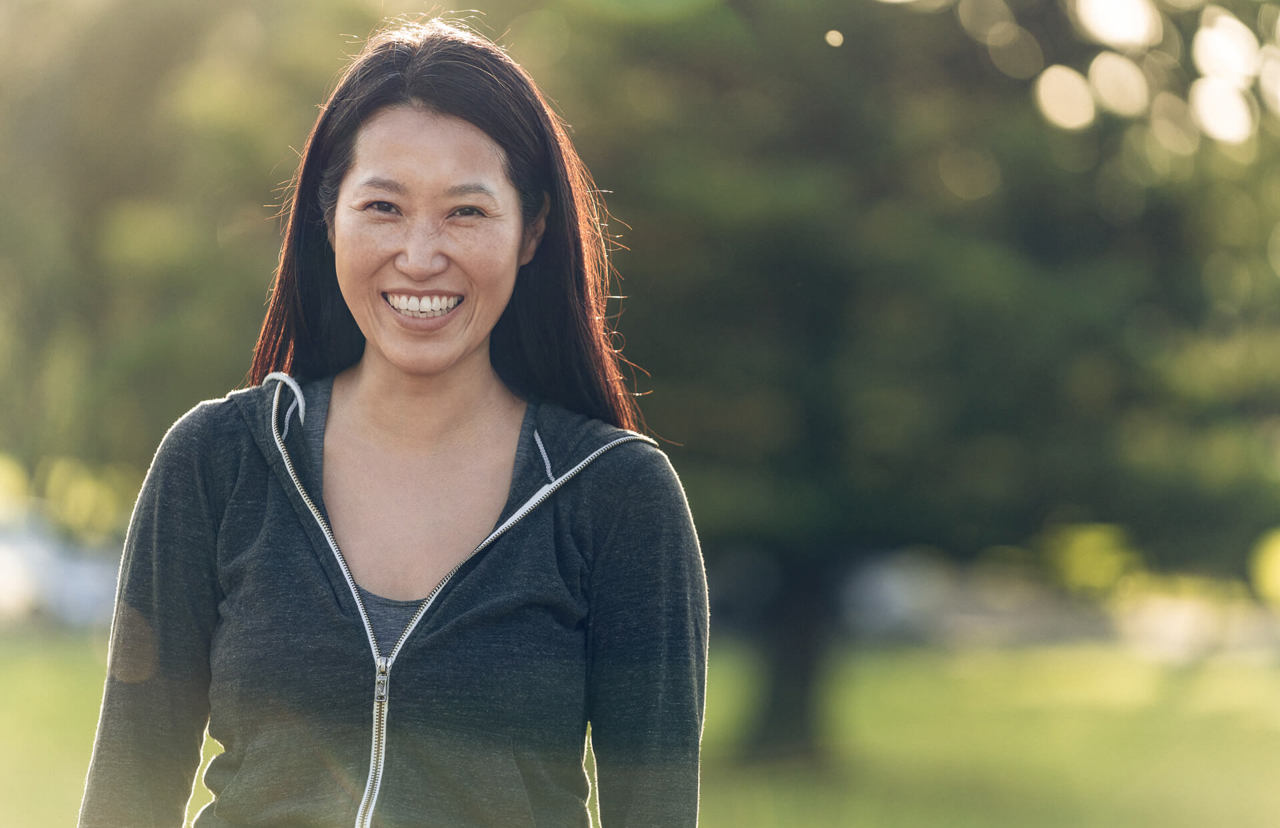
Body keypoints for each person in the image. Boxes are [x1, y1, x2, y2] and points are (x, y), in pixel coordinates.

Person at [79, 17, 707, 828]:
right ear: (326, 216)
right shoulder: (218, 461)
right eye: (384, 206)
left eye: (466, 213)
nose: (419, 255)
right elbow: (123, 800)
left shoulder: (616, 494)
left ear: (533, 231)